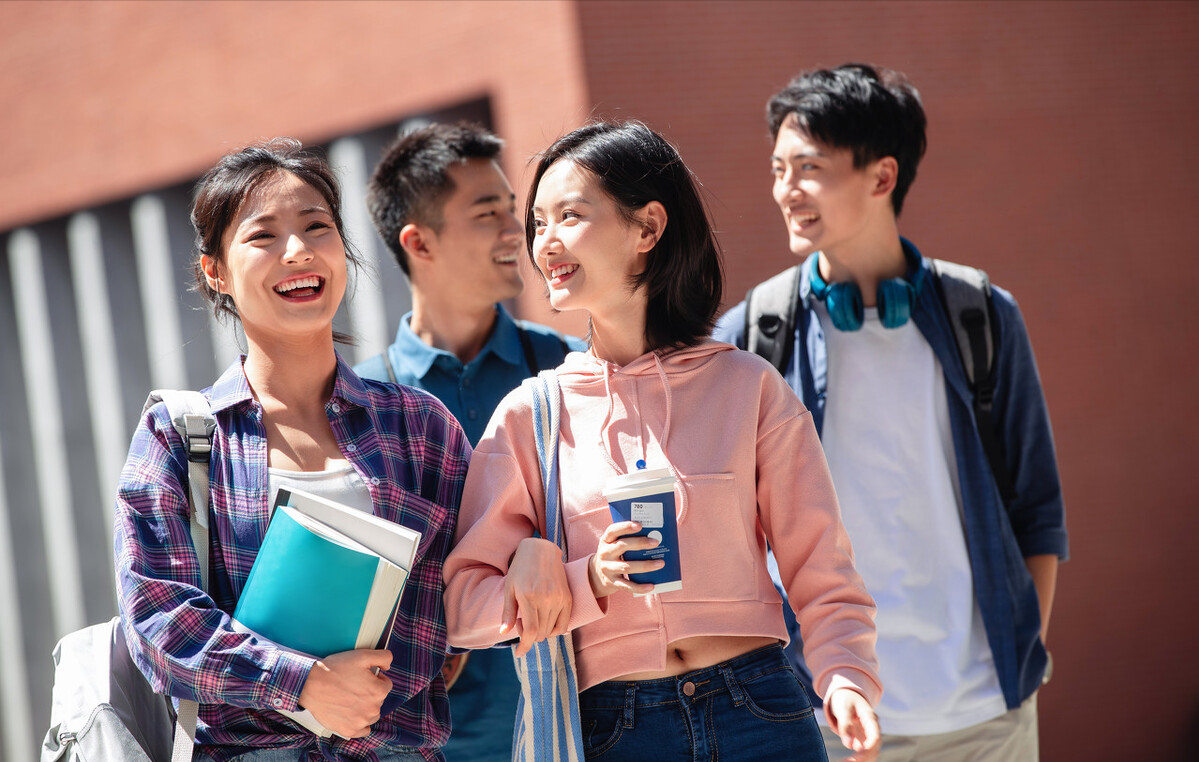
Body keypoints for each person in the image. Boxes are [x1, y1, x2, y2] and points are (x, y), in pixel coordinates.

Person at [443, 121, 882, 762]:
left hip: (760, 708)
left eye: (570, 215)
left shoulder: (748, 387)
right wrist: (586, 578)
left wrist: (845, 676)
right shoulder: (529, 417)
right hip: (615, 728)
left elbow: (822, 567)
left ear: (648, 227)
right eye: (538, 223)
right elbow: (463, 608)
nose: (545, 242)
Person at [712, 63, 1068, 761]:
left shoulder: (981, 317)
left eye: (808, 168)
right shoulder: (753, 335)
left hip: (986, 717)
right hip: (825, 718)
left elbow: (1038, 510)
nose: (785, 189)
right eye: (779, 169)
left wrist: (1018, 658)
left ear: (881, 177)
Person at [113, 138, 470, 762]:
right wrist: (302, 683)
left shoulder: (419, 426)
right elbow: (157, 619)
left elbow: (466, 595)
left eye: (317, 227)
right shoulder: (178, 434)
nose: (299, 251)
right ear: (215, 272)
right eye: (264, 236)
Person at [353, 122, 584, 762]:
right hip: (426, 742)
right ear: (418, 241)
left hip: (583, 724)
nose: (519, 232)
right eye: (489, 214)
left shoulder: (576, 370)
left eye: (514, 210)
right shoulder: (359, 403)